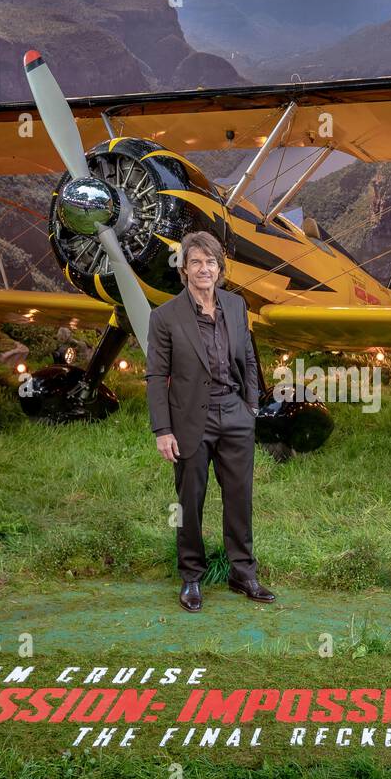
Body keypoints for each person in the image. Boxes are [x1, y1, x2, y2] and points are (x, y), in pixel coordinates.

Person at [144, 230, 276, 613]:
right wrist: (162, 429)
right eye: (197, 262)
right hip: (190, 421)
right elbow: (156, 376)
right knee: (190, 501)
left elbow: (250, 359)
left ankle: (243, 573)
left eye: (211, 262)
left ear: (220, 269)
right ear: (184, 268)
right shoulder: (165, 317)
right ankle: (191, 577)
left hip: (235, 414)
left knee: (240, 498)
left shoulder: (236, 306)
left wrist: (251, 406)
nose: (204, 269)